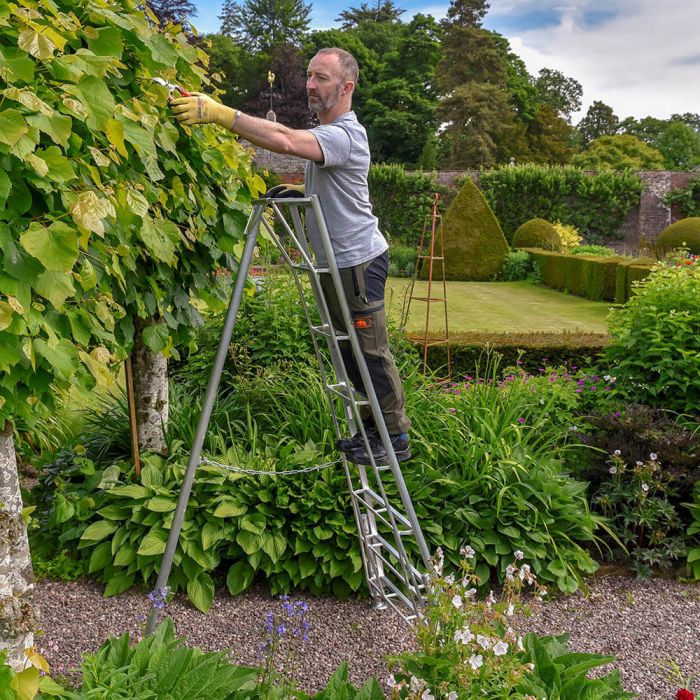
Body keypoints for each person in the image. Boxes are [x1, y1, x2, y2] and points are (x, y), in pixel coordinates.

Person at [171, 47, 411, 465]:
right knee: (351, 353)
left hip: (357, 263)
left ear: (347, 86)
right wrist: (298, 195)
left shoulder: (345, 135)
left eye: (321, 78)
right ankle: (373, 431)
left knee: (370, 352)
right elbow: (333, 193)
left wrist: (219, 114)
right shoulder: (329, 135)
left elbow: (284, 140)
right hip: (336, 265)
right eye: (309, 76)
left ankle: (394, 438)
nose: (310, 85)